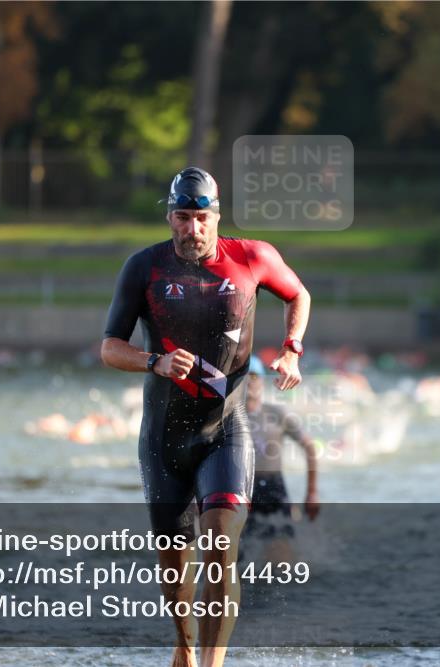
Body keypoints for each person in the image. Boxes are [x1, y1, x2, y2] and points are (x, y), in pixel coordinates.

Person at [100, 167, 311, 667]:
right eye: (182, 217)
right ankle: (185, 643)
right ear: (169, 217)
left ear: (216, 217)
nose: (192, 229)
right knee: (176, 565)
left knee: (220, 545)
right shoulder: (144, 267)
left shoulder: (252, 257)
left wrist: (292, 349)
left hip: (226, 431)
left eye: (201, 219)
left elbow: (297, 293)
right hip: (164, 438)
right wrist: (153, 361)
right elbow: (110, 347)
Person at [244, 355, 320, 545]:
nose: (249, 382)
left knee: (281, 552)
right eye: (243, 376)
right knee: (237, 553)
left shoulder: (276, 413)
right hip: (240, 489)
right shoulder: (227, 416)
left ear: (262, 380)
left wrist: (312, 492)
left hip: (273, 487)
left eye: (253, 376)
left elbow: (310, 447)